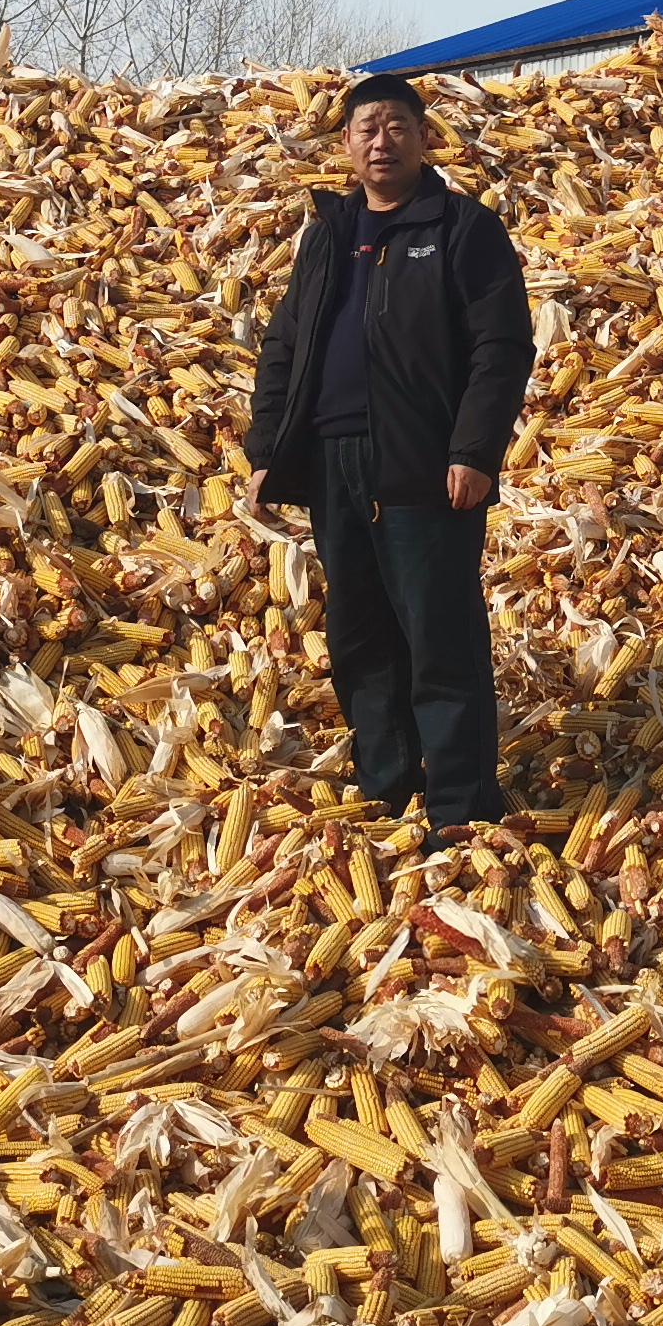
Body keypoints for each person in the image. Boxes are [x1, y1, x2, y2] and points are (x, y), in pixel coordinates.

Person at [244, 71, 534, 838]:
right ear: (345, 144)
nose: (382, 140)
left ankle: (461, 806)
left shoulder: (462, 229)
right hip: (334, 461)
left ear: (423, 137)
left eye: (397, 126)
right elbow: (285, 345)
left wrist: (475, 449)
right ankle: (387, 788)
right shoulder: (328, 236)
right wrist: (266, 448)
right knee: (360, 635)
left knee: (440, 635)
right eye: (367, 128)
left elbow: (500, 349)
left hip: (423, 463)